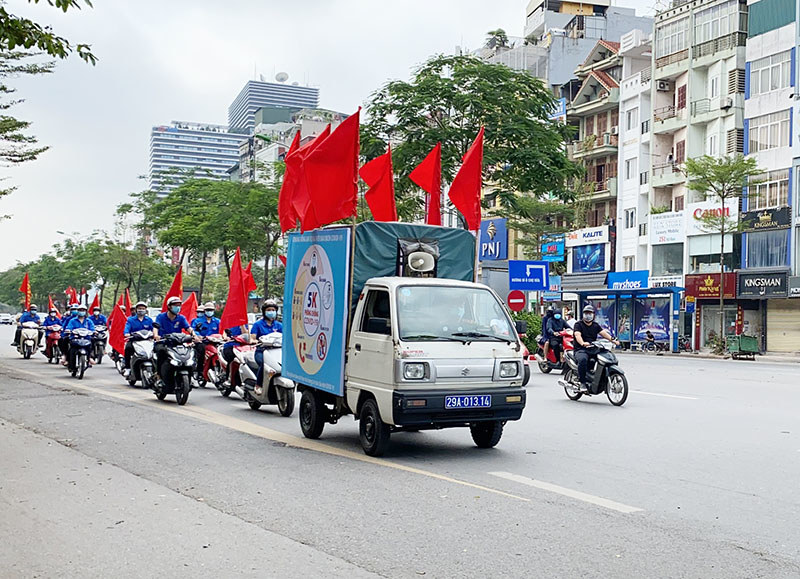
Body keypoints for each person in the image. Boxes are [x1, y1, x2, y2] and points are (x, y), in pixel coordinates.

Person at [573, 304, 620, 393]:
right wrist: (582, 343)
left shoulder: (595, 325)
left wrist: (613, 340)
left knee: (607, 357)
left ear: (594, 315)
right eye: (586, 313)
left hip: (593, 348)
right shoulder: (578, 324)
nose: (588, 315)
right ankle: (582, 382)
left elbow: (604, 334)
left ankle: (601, 378)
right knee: (583, 360)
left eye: (590, 313)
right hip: (581, 349)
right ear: (583, 314)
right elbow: (577, 335)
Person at [153, 296, 191, 379]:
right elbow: (156, 327)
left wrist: (194, 335)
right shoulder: (161, 317)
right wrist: (156, 335)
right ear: (169, 306)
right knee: (161, 352)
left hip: (177, 344)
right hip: (163, 343)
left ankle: (190, 377)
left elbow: (188, 328)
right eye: (175, 305)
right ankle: (158, 374)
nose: (177, 307)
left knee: (189, 354)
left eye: (179, 305)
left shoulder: (181, 318)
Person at [250, 299, 283, 386]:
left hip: (277, 352)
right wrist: (254, 341)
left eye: (273, 310)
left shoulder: (279, 325)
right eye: (268, 310)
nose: (271, 312)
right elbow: (252, 338)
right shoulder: (257, 324)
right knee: (264, 364)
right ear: (264, 312)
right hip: (262, 351)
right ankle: (258, 384)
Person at [123, 302, 155, 376]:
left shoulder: (149, 320)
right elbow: (127, 328)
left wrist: (155, 335)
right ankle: (127, 368)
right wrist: (126, 333)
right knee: (128, 348)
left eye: (143, 309)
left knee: (155, 351)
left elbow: (153, 329)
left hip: (147, 341)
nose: (141, 310)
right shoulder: (130, 320)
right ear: (136, 310)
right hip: (134, 341)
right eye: (139, 308)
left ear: (145, 310)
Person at [192, 302, 220, 374]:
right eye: (208, 310)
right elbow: (193, 330)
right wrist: (198, 336)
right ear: (204, 311)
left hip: (215, 342)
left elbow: (223, 330)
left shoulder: (217, 321)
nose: (209, 312)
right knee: (201, 350)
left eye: (211, 310)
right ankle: (199, 370)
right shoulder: (198, 321)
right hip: (203, 342)